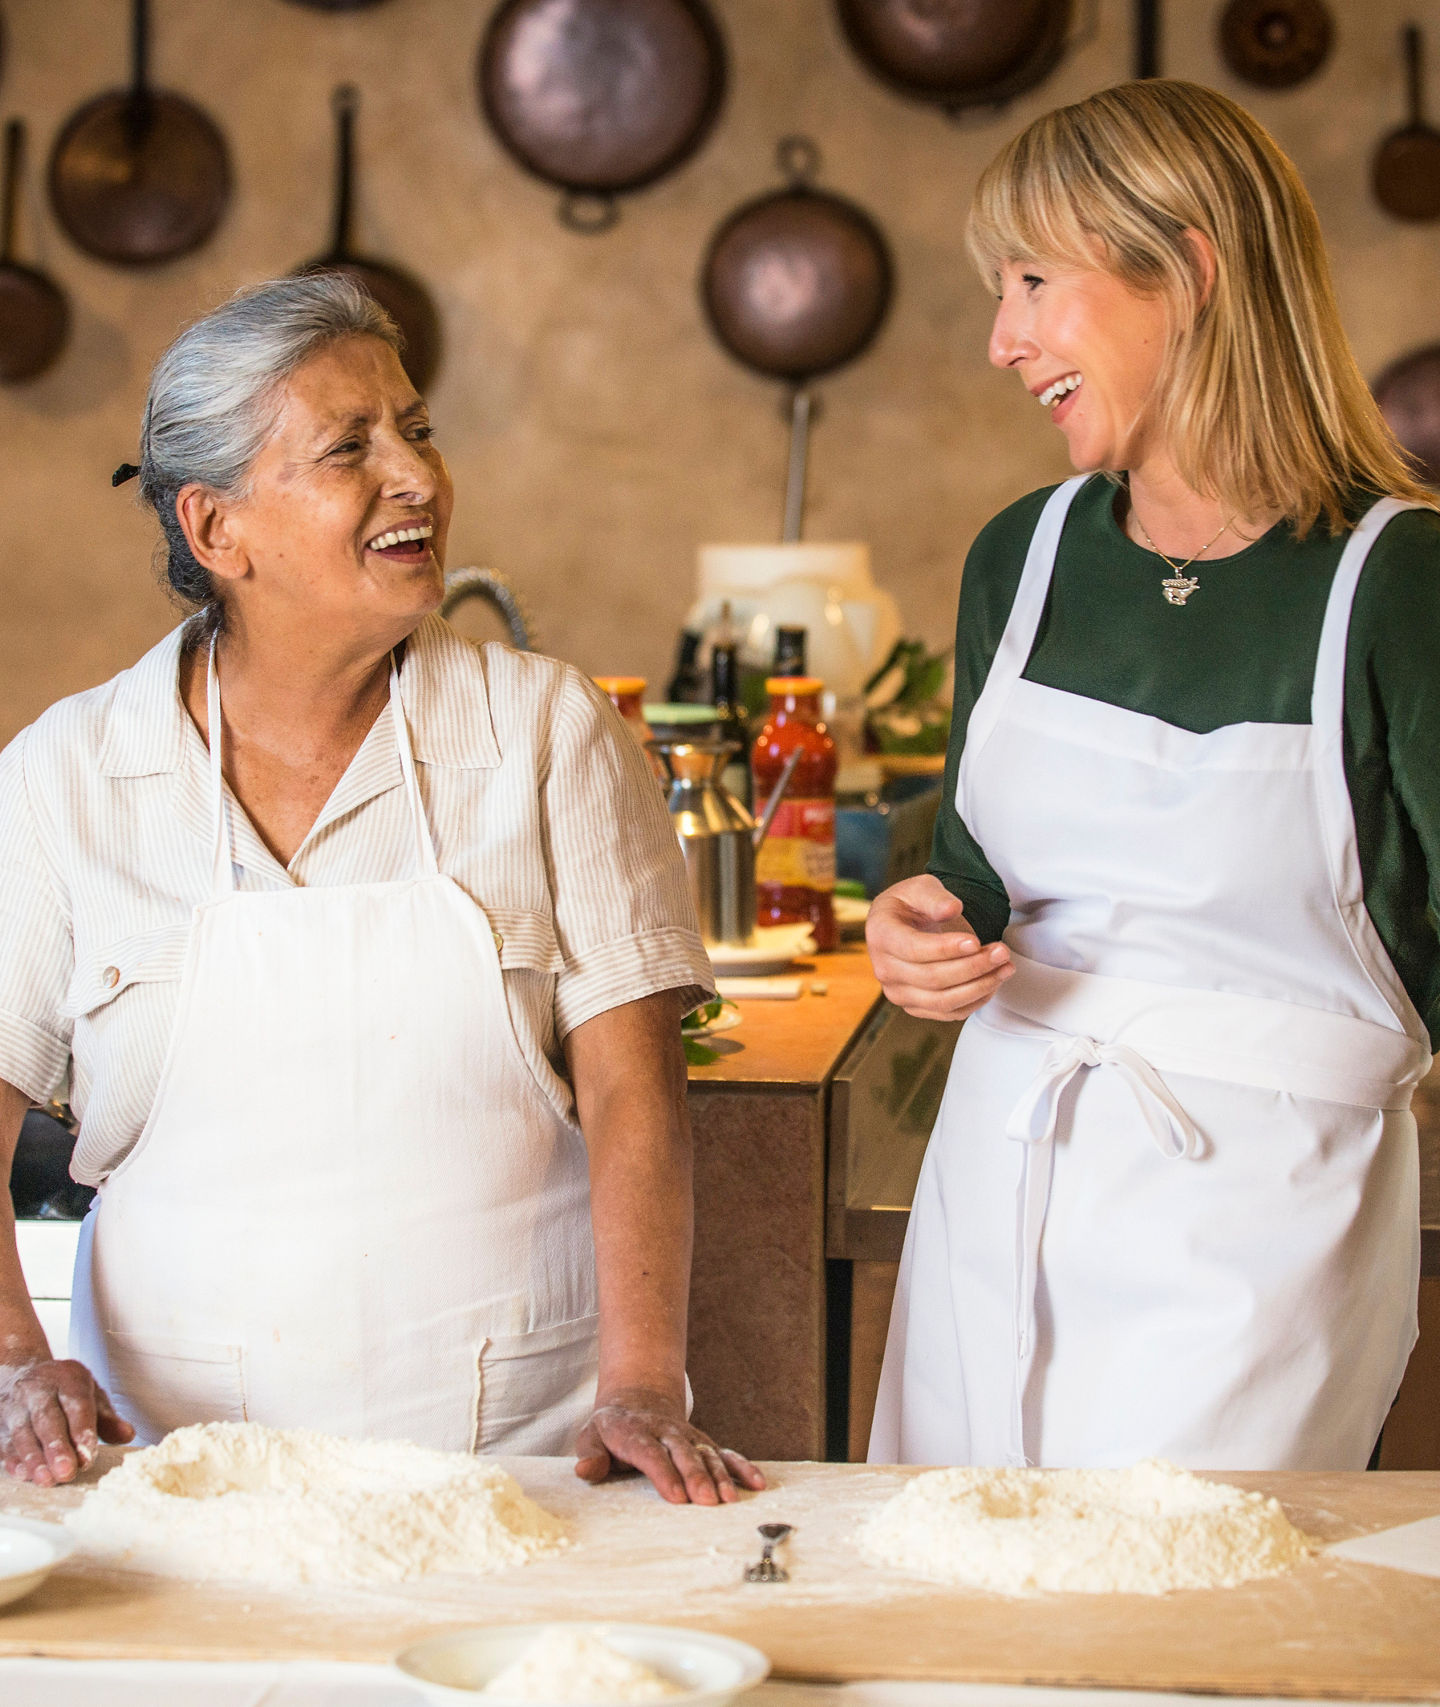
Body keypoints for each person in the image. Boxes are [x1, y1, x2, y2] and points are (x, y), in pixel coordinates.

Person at [0, 276, 763, 1506]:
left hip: (525, 1455)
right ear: (217, 530)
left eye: (416, 430)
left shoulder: (545, 732)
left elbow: (637, 1087)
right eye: (349, 449)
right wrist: (13, 1365)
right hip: (178, 1469)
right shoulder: (66, 777)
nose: (414, 475)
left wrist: (643, 1386)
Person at [866, 80, 1440, 1471]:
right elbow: (981, 866)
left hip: (1260, 1233)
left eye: (1032, 282)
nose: (1003, 341)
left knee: (1183, 1646)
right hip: (997, 1184)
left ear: (1186, 270)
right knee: (951, 1621)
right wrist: (921, 924)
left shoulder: (1400, 581)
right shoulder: (1027, 550)